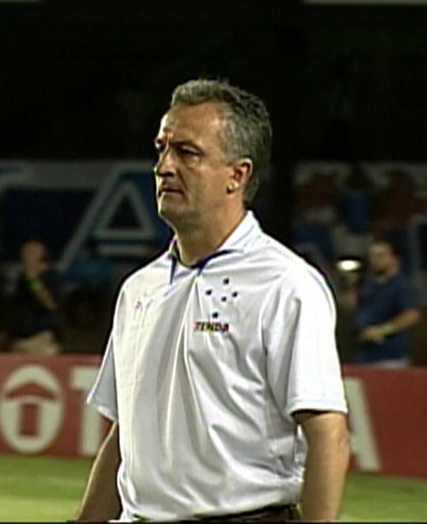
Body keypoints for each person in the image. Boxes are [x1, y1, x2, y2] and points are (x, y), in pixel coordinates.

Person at [75, 79, 350, 522]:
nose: (164, 166)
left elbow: (328, 435)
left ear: (237, 175)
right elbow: (126, 437)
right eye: (162, 149)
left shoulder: (286, 284)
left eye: (187, 152)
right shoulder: (139, 289)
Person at [338, 237, 421, 367]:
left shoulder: (400, 285)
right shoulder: (368, 284)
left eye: (380, 255)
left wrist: (382, 330)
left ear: (394, 259)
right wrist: (350, 286)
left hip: (389, 356)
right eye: (372, 256)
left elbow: (412, 315)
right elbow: (349, 306)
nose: (374, 260)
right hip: (363, 354)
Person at [8, 239, 63, 356]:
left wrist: (33, 281)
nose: (26, 257)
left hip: (41, 339)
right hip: (20, 340)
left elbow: (49, 303)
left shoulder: (50, 276)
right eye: (25, 253)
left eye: (31, 253)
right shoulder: (22, 278)